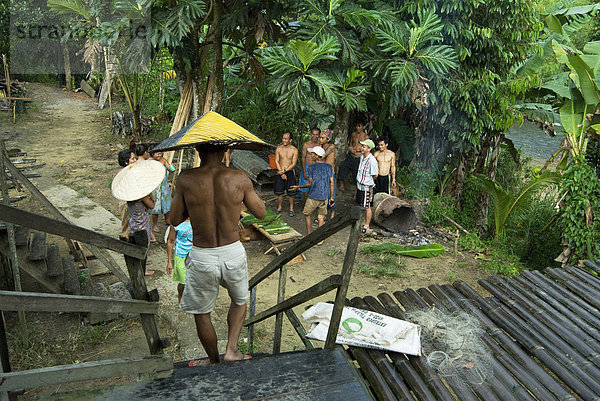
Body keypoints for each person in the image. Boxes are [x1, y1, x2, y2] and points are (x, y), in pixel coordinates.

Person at [170, 143, 266, 365]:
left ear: (198, 152)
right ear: (224, 152)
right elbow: (260, 213)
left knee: (202, 313)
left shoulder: (186, 179)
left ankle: (213, 361)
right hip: (232, 251)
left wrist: (191, 203)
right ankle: (231, 350)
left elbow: (174, 219)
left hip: (202, 254)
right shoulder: (240, 178)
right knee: (240, 302)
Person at [116, 149, 154, 276]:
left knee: (137, 230)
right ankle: (138, 261)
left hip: (135, 205)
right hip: (130, 205)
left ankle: (141, 257)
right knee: (134, 231)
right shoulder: (124, 174)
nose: (136, 160)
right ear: (126, 162)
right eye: (133, 158)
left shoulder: (129, 171)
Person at [290, 146, 334, 238]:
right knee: (321, 217)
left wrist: (298, 186)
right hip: (324, 196)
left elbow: (309, 184)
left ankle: (309, 235)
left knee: (307, 214)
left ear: (317, 156)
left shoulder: (311, 168)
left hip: (313, 196)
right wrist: (331, 197)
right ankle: (319, 238)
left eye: (313, 154)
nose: (311, 155)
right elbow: (331, 183)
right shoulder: (328, 167)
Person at [166, 218, 193, 304]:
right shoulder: (176, 223)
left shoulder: (198, 219)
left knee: (194, 280)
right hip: (181, 256)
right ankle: (180, 296)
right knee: (183, 282)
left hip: (195, 255)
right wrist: (169, 262)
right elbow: (170, 241)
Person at [338, 122, 369, 191]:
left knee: (357, 172)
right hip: (351, 155)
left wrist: (360, 150)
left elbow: (367, 147)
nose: (357, 128)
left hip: (359, 156)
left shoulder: (365, 136)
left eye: (359, 126)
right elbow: (350, 143)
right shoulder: (353, 134)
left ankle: (357, 189)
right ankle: (341, 185)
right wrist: (351, 149)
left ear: (363, 127)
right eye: (357, 126)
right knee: (343, 167)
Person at [356, 139, 378, 233]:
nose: (362, 148)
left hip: (366, 186)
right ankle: (362, 221)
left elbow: (375, 175)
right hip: (360, 184)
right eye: (362, 146)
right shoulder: (362, 156)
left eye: (364, 147)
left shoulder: (372, 160)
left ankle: (366, 224)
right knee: (361, 203)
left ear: (369, 149)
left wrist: (368, 181)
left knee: (367, 205)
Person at [149, 148, 174, 233]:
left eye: (161, 153)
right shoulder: (149, 161)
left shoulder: (163, 160)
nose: (159, 155)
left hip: (164, 187)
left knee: (166, 204)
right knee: (155, 207)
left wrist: (170, 165)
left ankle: (167, 220)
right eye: (157, 154)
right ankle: (155, 225)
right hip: (155, 188)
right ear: (152, 153)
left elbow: (171, 169)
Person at [274, 132, 298, 216]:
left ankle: (291, 208)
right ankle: (279, 207)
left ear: (290, 140)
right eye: (283, 138)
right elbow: (276, 161)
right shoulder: (279, 148)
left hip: (289, 172)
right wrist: (281, 172)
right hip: (280, 171)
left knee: (291, 191)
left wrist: (284, 171)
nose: (283, 140)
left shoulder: (294, 150)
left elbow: (293, 164)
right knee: (279, 191)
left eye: (285, 139)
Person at [298, 128, 320, 200]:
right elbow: (303, 158)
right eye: (313, 134)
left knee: (316, 185)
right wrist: (304, 171)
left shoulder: (320, 145)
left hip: (316, 168)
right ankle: (306, 202)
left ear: (319, 135)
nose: (314, 136)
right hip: (307, 167)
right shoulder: (306, 145)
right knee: (305, 186)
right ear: (311, 134)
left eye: (316, 134)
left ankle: (314, 202)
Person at [319, 129, 336, 219]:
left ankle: (332, 214)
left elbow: (324, 155)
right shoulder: (320, 146)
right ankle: (323, 214)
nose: (320, 139)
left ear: (328, 139)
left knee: (331, 194)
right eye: (320, 137)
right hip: (323, 173)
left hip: (330, 173)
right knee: (323, 193)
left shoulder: (331, 146)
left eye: (323, 138)